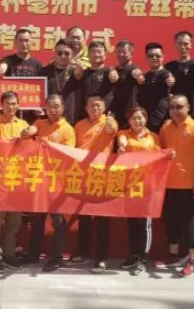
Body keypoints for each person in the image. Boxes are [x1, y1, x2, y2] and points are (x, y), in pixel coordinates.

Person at [0, 91, 38, 273]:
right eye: (8, 103)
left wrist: (31, 131)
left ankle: (9, 254)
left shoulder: (22, 124)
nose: (11, 107)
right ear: (2, 105)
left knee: (14, 221)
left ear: (19, 105)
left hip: (16, 179)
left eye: (14, 103)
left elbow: (32, 135)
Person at [158, 94, 194, 277]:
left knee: (192, 224)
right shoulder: (165, 127)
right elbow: (161, 151)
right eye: (172, 107)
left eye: (179, 107)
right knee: (172, 221)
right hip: (170, 184)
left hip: (190, 185)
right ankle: (174, 255)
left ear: (188, 107)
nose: (175, 111)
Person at [28, 94, 77, 272]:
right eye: (50, 106)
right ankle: (33, 254)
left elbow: (69, 154)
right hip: (39, 178)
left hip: (57, 181)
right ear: (45, 108)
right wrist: (27, 133)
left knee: (57, 220)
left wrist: (50, 145)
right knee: (37, 219)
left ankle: (56, 257)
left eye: (57, 106)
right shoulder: (39, 123)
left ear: (63, 108)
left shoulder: (67, 129)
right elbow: (29, 134)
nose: (53, 109)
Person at [71, 95, 119, 273]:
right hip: (82, 176)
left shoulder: (108, 122)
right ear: (86, 108)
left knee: (101, 219)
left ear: (104, 107)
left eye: (98, 105)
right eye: (91, 106)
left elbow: (112, 130)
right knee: (83, 218)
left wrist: (111, 122)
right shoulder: (79, 125)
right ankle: (83, 253)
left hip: (101, 176)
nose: (95, 109)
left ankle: (101, 257)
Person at [116, 106, 160, 274]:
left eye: (140, 117)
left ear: (146, 119)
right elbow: (122, 143)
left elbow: (160, 157)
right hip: (130, 186)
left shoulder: (153, 137)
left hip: (147, 185)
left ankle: (143, 258)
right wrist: (121, 148)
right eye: (134, 118)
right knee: (132, 223)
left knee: (144, 224)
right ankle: (134, 255)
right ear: (129, 121)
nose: (137, 121)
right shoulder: (124, 134)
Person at [0, 29, 43, 123]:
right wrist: (2, 69)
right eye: (21, 40)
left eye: (26, 40)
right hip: (11, 112)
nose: (24, 44)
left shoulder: (38, 65)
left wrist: (40, 106)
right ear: (16, 42)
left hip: (31, 113)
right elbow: (3, 67)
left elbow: (41, 89)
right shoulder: (8, 60)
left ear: (31, 42)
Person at [40, 40, 83, 124]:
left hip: (69, 118)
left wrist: (79, 66)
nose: (63, 56)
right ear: (55, 53)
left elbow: (79, 75)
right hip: (48, 118)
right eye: (59, 53)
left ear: (72, 54)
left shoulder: (75, 70)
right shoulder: (44, 71)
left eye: (66, 53)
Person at [166, 31, 194, 120]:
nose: (183, 47)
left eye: (186, 43)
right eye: (180, 43)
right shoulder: (169, 66)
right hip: (176, 113)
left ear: (191, 45)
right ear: (175, 45)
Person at [74, 41, 118, 121]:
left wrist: (114, 76)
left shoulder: (109, 72)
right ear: (88, 55)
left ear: (105, 55)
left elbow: (114, 78)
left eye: (99, 52)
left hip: (105, 118)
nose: (96, 54)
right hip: (86, 119)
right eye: (93, 52)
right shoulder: (84, 73)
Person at [137, 42, 175, 132]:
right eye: (151, 56)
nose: (154, 58)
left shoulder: (166, 74)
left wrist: (171, 81)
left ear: (163, 57)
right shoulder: (144, 77)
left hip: (162, 121)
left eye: (157, 55)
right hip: (145, 122)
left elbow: (171, 80)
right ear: (146, 58)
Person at [108, 40, 145, 129]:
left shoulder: (134, 69)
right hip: (115, 113)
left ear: (131, 53)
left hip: (130, 115)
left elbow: (139, 76)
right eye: (119, 52)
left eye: (124, 52)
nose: (121, 54)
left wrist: (139, 77)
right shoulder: (114, 70)